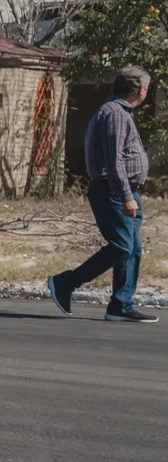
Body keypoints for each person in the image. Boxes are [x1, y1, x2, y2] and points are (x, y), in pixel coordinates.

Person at [50, 65, 156, 323]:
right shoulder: (115, 114)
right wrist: (126, 196)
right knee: (123, 246)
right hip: (113, 190)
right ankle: (66, 282)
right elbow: (114, 160)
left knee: (133, 249)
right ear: (140, 90)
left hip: (124, 189)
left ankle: (120, 305)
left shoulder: (121, 112)